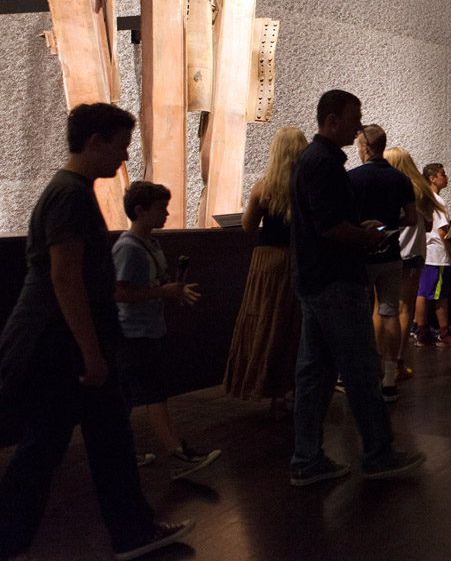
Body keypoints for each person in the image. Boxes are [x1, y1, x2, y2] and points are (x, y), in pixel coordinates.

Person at [0, 103, 194, 561]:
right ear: (94, 141)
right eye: (120, 145)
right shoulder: (69, 194)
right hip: (59, 345)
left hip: (63, 340)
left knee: (101, 440)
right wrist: (90, 351)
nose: (123, 157)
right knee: (46, 449)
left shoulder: (72, 190)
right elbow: (64, 277)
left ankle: (132, 530)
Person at [288, 90, 424, 486]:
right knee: (362, 369)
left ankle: (307, 458)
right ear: (332, 120)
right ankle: (379, 454)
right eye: (354, 117)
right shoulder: (326, 164)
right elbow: (330, 226)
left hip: (314, 277)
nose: (359, 125)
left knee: (314, 373)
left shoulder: (311, 161)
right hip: (335, 279)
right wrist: (365, 236)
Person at [113, 182, 219, 480]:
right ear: (140, 210)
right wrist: (164, 291)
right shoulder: (128, 248)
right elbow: (119, 293)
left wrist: (172, 292)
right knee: (153, 395)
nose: (167, 213)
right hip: (134, 334)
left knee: (132, 397)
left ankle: (121, 453)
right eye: (161, 208)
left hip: (147, 331)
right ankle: (176, 453)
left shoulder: (151, 244)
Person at [225, 126, 308, 417]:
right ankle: (296, 388)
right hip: (299, 258)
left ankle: (268, 388)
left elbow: (248, 225)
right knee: (294, 324)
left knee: (264, 320)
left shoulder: (263, 186)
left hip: (268, 260)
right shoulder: (307, 184)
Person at [347, 126, 417, 402]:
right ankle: (389, 377)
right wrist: (387, 226)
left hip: (359, 255)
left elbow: (343, 218)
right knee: (389, 312)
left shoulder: (351, 178)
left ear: (364, 147)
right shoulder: (399, 178)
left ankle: (361, 374)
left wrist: (368, 229)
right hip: (390, 254)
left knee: (358, 315)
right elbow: (411, 219)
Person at [382, 146, 440, 373]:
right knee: (405, 308)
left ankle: (382, 360)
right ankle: (398, 360)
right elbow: (427, 226)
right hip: (414, 255)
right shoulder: (421, 192)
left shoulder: (386, 190)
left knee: (383, 308)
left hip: (388, 253)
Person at [413, 163, 451, 348]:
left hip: (426, 253)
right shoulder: (437, 200)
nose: (446, 178)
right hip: (437, 254)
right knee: (439, 294)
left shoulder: (424, 198)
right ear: (432, 178)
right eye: (443, 174)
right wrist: (450, 248)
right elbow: (441, 231)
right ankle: (442, 333)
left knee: (424, 291)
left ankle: (420, 329)